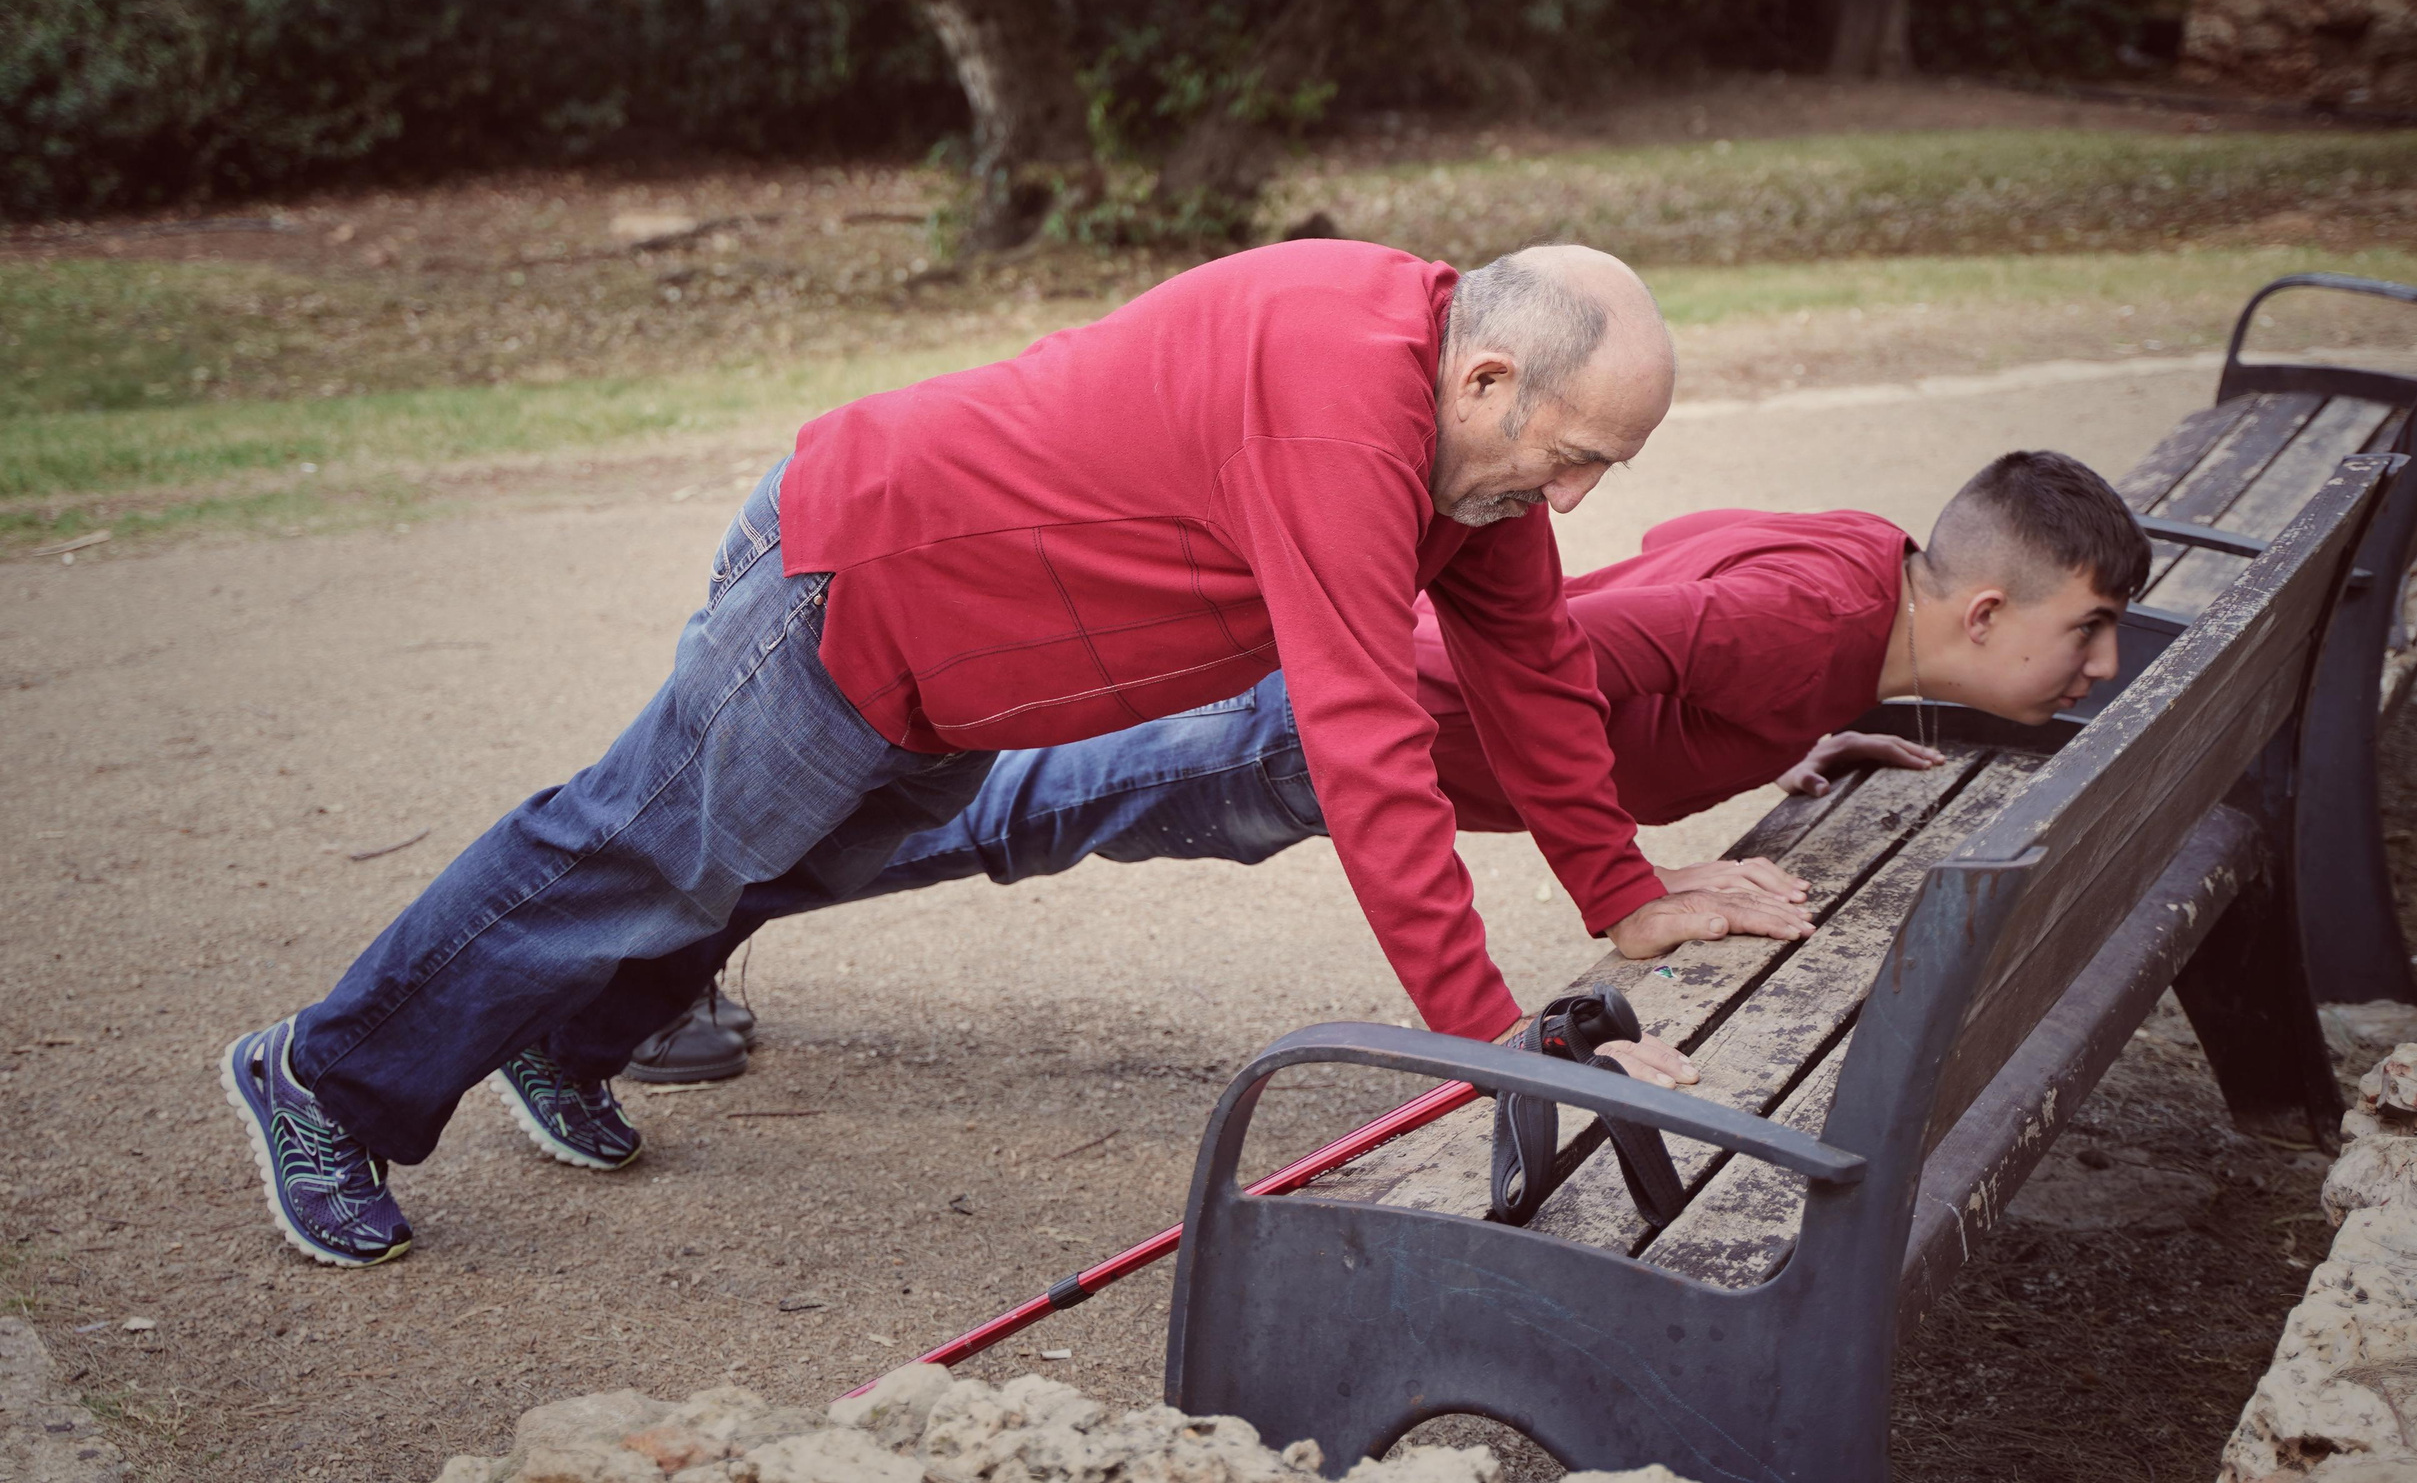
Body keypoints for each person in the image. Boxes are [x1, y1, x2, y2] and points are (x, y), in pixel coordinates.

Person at [223, 241, 1796, 1267]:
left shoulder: (1475, 474)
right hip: (857, 589)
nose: (1574, 501)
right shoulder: (1346, 407)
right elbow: (1366, 735)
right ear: (1488, 378)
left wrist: (1621, 883)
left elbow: (1527, 660)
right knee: (638, 847)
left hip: (975, 681)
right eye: (1572, 458)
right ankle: (325, 1076)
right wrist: (1486, 1037)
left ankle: (562, 1036)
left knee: (774, 866)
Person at [628, 449, 2153, 1075]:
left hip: (1346, 712)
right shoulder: (1804, 627)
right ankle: (631, 946)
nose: (2095, 669)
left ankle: (657, 918)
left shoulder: (1855, 588)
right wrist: (1633, 870)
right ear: (1983, 608)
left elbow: (1677, 568)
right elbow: (1575, 662)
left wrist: (1784, 729)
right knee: (1007, 811)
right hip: (1341, 727)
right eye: (2088, 633)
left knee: (1009, 809)